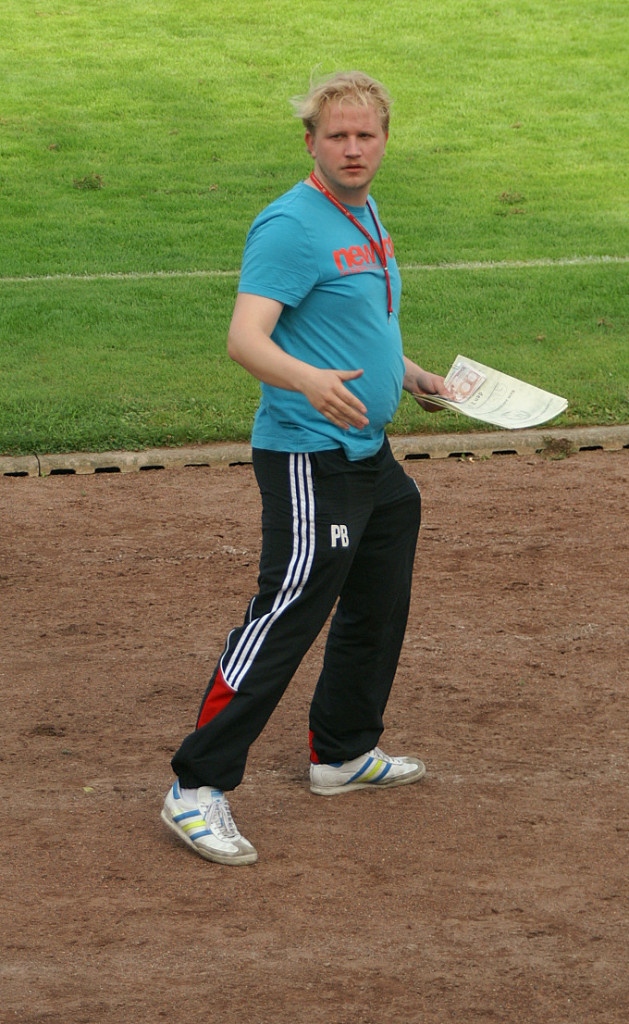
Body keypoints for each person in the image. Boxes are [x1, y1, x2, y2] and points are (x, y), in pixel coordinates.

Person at [161, 70, 453, 866]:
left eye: (365, 135)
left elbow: (353, 324)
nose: (352, 148)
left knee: (377, 597)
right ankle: (196, 785)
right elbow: (245, 339)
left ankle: (343, 751)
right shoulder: (291, 224)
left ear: (384, 141)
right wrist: (308, 382)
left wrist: (410, 376)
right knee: (286, 611)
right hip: (307, 453)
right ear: (311, 143)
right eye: (337, 136)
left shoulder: (362, 211)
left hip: (368, 452)